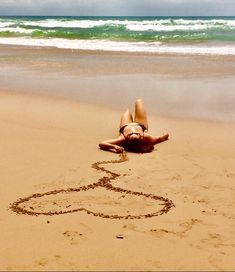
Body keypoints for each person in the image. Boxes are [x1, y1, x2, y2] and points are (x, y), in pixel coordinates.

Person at [99, 99, 169, 153]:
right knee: (139, 101)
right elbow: (162, 138)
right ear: (141, 137)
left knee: (127, 111)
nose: (133, 132)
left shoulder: (122, 138)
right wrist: (165, 135)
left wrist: (114, 146)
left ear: (127, 138)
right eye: (136, 134)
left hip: (125, 125)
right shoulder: (146, 137)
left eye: (131, 134)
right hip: (141, 124)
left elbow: (102, 143)